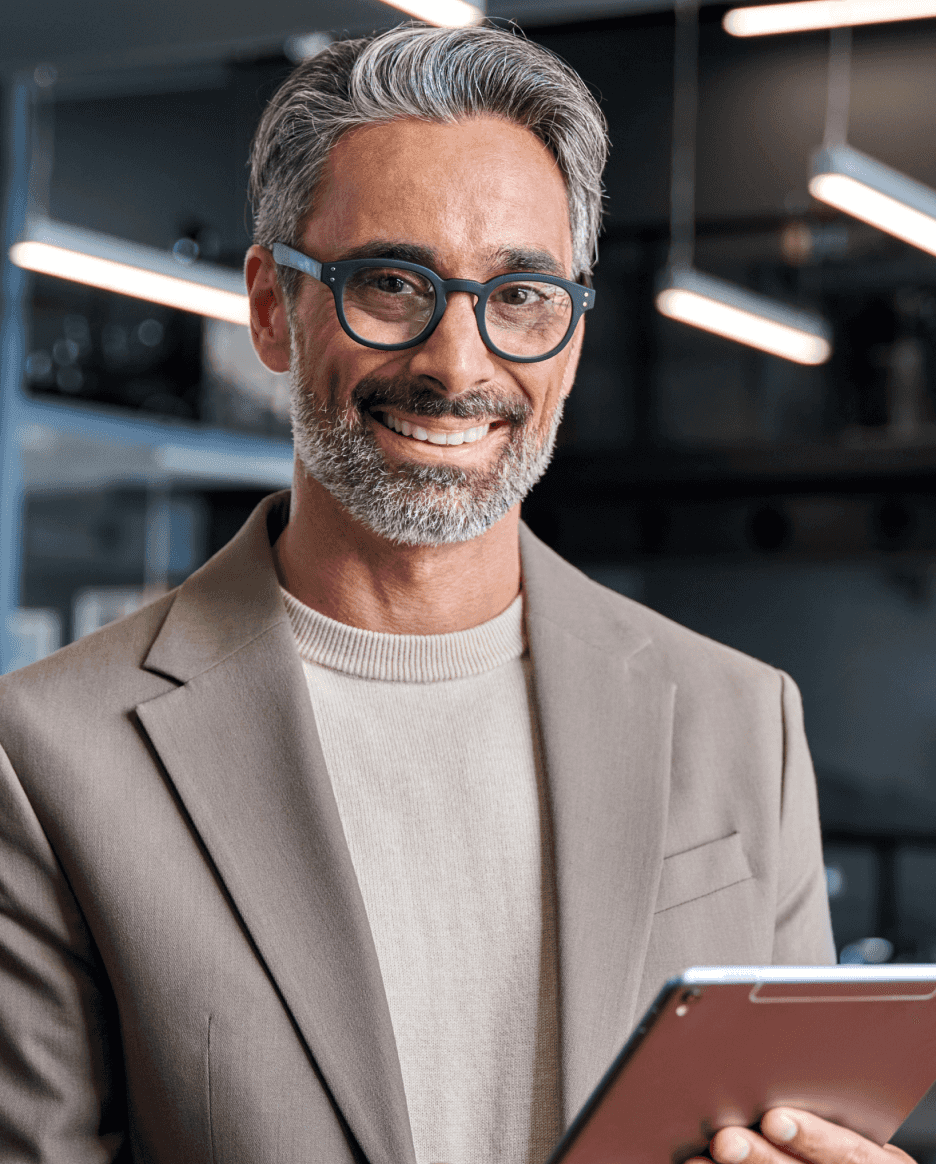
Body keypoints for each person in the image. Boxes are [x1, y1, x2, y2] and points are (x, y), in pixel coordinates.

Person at [0, 22, 910, 1164]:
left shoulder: (743, 720)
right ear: (274, 307)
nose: (459, 363)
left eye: (522, 293)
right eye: (391, 282)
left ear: (571, 338)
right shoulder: (47, 755)